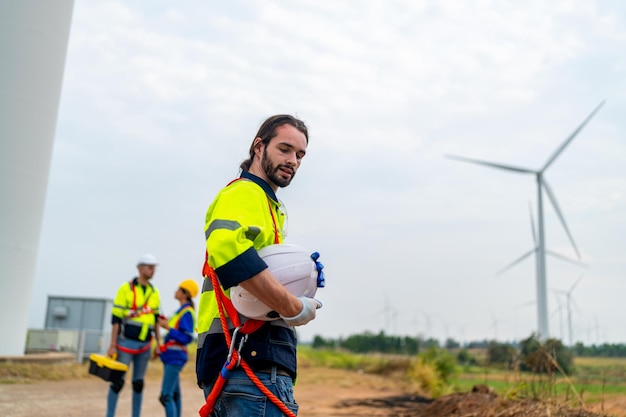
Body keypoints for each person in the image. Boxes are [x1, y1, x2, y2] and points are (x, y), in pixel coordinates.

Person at [196, 114, 322, 416]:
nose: (293, 160)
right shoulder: (245, 193)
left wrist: (304, 275)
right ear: (258, 146)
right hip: (247, 358)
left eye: (300, 155)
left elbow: (254, 270)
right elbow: (229, 254)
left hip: (245, 360)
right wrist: (292, 306)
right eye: (285, 149)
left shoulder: (266, 204)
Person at [106, 253, 162, 417]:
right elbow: (116, 319)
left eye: (154, 267)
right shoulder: (125, 289)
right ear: (140, 268)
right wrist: (112, 344)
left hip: (144, 346)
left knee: (138, 383)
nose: (152, 270)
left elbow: (156, 321)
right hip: (125, 344)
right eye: (149, 266)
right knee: (117, 382)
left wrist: (158, 345)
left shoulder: (154, 292)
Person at [156, 279, 198, 417]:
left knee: (165, 396)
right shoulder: (180, 311)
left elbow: (187, 337)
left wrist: (168, 327)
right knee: (174, 395)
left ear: (185, 294)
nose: (176, 291)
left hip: (175, 357)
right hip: (171, 356)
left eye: (179, 289)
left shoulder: (186, 312)